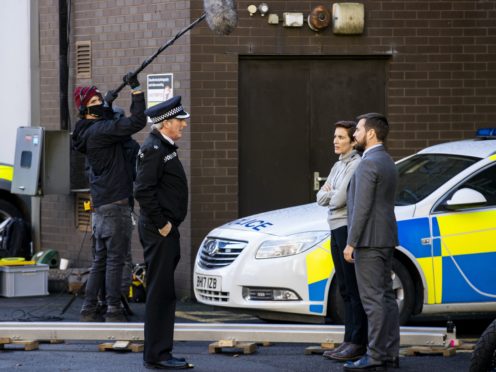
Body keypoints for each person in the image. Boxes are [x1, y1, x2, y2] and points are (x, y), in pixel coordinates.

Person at [71, 75, 146, 322]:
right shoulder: (102, 132)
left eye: (101, 97)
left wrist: (108, 105)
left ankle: (89, 308)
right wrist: (136, 90)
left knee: (101, 260)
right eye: (95, 100)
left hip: (101, 206)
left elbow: (105, 121)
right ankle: (113, 309)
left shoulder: (85, 132)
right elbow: (137, 121)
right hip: (116, 205)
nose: (100, 102)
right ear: (85, 109)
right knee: (115, 260)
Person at [134, 95, 192, 370]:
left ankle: (159, 352)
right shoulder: (154, 148)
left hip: (166, 231)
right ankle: (158, 354)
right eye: (180, 120)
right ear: (166, 123)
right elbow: (142, 190)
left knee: (164, 291)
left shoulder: (164, 145)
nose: (184, 125)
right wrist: (163, 224)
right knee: (160, 292)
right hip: (160, 232)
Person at [343, 113, 400, 371]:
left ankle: (376, 356)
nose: (355, 134)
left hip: (368, 241)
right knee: (386, 298)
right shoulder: (387, 160)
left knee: (373, 301)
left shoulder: (367, 164)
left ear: (371, 134)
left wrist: (351, 243)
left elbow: (362, 208)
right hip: (385, 238)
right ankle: (389, 354)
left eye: (359, 130)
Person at [316, 121, 367, 362]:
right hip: (334, 228)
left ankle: (357, 342)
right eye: (334, 136)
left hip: (346, 228)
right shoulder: (338, 165)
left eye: (341, 137)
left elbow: (337, 199)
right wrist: (327, 192)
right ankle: (348, 340)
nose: (335, 141)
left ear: (353, 141)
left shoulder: (356, 164)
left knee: (353, 288)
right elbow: (321, 197)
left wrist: (328, 191)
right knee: (344, 289)